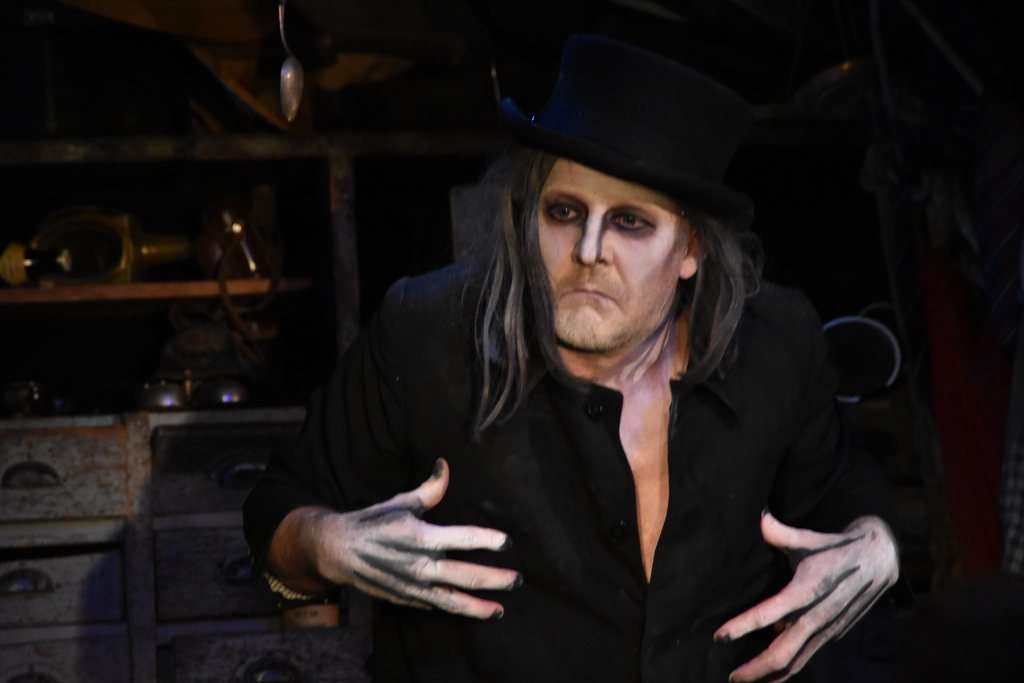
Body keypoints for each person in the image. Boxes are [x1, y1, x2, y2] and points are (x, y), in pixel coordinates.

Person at [243, 35, 899, 683]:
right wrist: (327, 544)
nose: (588, 250)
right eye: (564, 211)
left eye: (630, 222)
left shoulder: (776, 343)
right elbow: (278, 511)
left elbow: (842, 486)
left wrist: (877, 543)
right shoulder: (427, 336)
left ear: (691, 249)